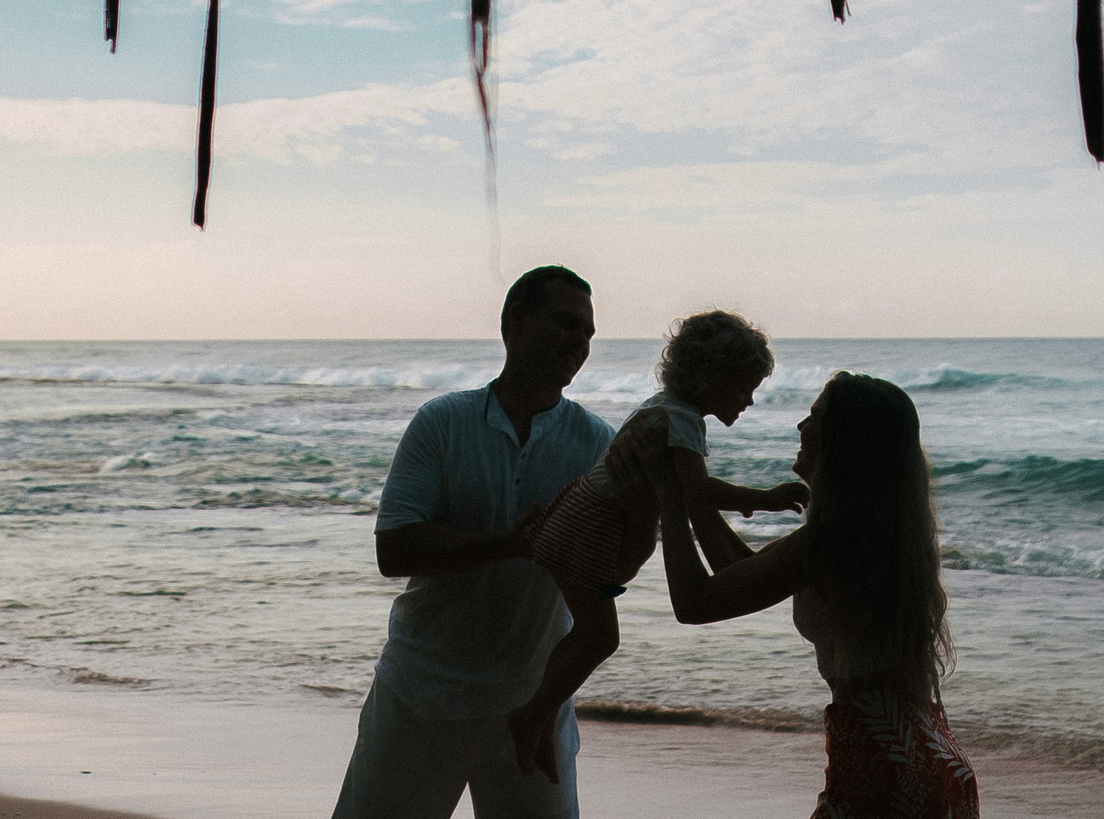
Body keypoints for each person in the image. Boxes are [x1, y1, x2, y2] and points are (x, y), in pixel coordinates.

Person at [330, 266, 614, 819]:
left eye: (588, 333)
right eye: (565, 323)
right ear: (513, 322)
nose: (579, 343)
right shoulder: (443, 422)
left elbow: (610, 567)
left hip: (532, 705)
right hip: (419, 693)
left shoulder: (597, 442)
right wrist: (511, 544)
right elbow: (395, 549)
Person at [645, 371, 979, 819]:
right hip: (931, 758)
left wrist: (669, 492)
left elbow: (695, 602)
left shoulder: (825, 544)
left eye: (815, 418)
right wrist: (694, 497)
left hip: (883, 763)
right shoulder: (871, 536)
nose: (801, 428)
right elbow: (740, 575)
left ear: (844, 442)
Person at [507, 310, 808, 778]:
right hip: (589, 528)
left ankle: (541, 715)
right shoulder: (681, 421)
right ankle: (531, 716)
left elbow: (689, 500)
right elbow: (698, 492)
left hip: (580, 519)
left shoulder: (663, 408)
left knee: (589, 634)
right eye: (744, 387)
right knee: (599, 636)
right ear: (711, 377)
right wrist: (763, 499)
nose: (749, 401)